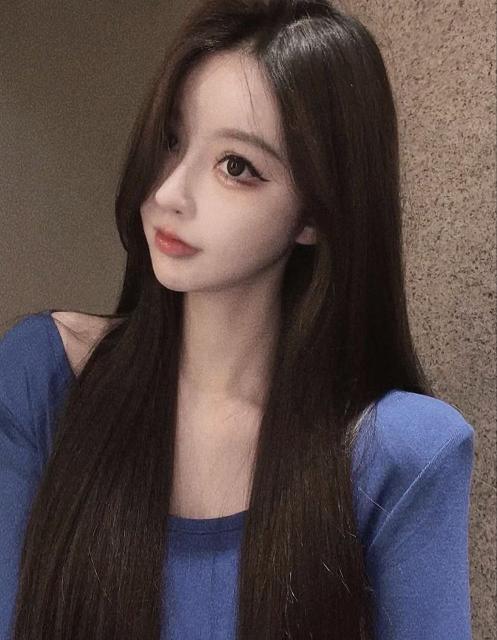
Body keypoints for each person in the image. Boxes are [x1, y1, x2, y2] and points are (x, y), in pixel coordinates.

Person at [0, 0, 475, 638]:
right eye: (172, 140)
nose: (169, 192)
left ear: (315, 213)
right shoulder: (44, 379)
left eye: (236, 167)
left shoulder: (400, 454)